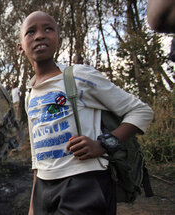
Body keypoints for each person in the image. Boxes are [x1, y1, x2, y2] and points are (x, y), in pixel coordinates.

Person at [17, 11, 153, 215]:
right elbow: (37, 157)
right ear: (20, 47)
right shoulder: (30, 95)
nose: (39, 36)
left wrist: (103, 144)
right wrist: (34, 206)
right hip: (44, 189)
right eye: (31, 32)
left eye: (48, 29)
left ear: (59, 40)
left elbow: (140, 111)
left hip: (85, 183)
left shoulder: (79, 76)